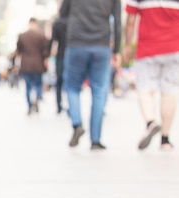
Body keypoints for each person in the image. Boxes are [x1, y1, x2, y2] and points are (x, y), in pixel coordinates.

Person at [60, 0, 122, 150]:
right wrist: (117, 50)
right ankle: (95, 140)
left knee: (73, 87)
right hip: (101, 45)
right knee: (99, 91)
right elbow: (118, 21)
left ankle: (77, 124)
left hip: (76, 43)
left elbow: (63, 15)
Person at [123, 0, 179, 151]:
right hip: (174, 46)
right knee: (169, 91)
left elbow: (130, 20)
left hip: (148, 48)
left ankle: (150, 122)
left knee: (145, 88)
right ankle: (165, 139)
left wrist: (127, 45)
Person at [16, 18, 49, 115]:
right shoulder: (41, 35)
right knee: (38, 84)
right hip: (38, 64)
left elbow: (18, 50)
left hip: (26, 64)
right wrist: (45, 60)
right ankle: (38, 98)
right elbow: (45, 51)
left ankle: (30, 105)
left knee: (28, 86)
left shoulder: (22, 36)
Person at [49, 16, 67, 114]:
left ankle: (59, 106)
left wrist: (48, 53)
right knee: (70, 83)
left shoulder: (57, 23)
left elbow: (53, 40)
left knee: (59, 82)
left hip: (60, 55)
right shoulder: (75, 20)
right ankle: (71, 106)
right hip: (71, 54)